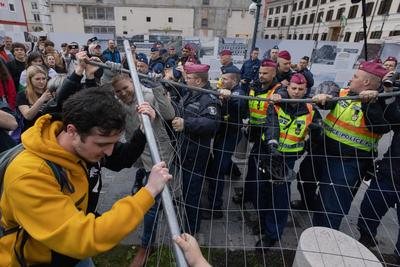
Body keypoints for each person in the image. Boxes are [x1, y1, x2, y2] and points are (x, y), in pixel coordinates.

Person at [0, 85, 173, 266]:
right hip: (40, 259)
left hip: (72, 252)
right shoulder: (29, 175)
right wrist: (149, 191)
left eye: (113, 142)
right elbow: (83, 237)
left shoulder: (83, 146)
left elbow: (122, 158)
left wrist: (143, 128)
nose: (108, 151)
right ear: (72, 131)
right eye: (102, 144)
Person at [312, 61, 391, 230]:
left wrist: (369, 103)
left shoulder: (381, 101)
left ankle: (325, 240)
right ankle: (315, 232)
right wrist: (322, 98)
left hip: (348, 163)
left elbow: (381, 126)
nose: (351, 78)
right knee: (323, 198)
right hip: (326, 154)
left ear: (366, 82)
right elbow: (328, 100)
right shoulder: (345, 92)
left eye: (355, 76)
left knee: (333, 205)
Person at [110, 73, 175, 267]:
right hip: (139, 152)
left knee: (151, 204)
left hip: (157, 155)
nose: (122, 93)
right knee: (145, 187)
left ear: (133, 82)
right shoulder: (119, 100)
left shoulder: (147, 96)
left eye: (125, 87)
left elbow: (169, 114)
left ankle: (146, 246)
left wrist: (154, 115)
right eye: (118, 90)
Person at [256, 73, 321, 250]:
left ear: (306, 90)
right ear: (288, 87)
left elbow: (316, 129)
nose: (297, 92)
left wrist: (310, 143)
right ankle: (262, 223)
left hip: (288, 159)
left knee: (280, 198)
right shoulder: (277, 102)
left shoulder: (310, 108)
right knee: (262, 190)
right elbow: (272, 124)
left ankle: (272, 234)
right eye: (294, 88)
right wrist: (272, 144)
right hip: (269, 153)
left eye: (301, 89)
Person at [172, 63, 221, 234]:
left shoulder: (209, 99)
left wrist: (186, 124)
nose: (186, 80)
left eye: (189, 78)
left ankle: (191, 229)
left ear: (199, 81)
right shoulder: (191, 93)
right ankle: (188, 219)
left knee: (192, 193)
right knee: (187, 190)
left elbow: (212, 123)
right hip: (185, 149)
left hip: (195, 154)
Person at [356, 83, 400, 263]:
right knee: (369, 210)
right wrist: (388, 93)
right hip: (389, 174)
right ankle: (366, 238)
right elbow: (392, 116)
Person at [232, 59, 282, 212]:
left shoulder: (279, 91)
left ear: (274, 74)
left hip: (269, 136)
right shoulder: (254, 86)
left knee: (263, 174)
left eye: (265, 73)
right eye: (260, 72)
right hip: (255, 133)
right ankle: (248, 195)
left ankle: (260, 206)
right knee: (252, 169)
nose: (261, 75)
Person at [203, 65, 247, 219]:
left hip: (230, 135)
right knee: (221, 162)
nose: (222, 81)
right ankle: (234, 172)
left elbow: (241, 105)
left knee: (218, 170)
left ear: (234, 80)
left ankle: (216, 207)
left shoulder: (238, 93)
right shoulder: (227, 91)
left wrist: (230, 97)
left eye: (225, 79)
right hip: (223, 134)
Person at [16, 65, 53, 132]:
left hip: (49, 129)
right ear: (30, 80)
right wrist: (41, 100)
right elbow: (28, 116)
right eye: (37, 79)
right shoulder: (22, 95)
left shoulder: (51, 92)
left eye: (44, 78)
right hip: (31, 131)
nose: (41, 81)